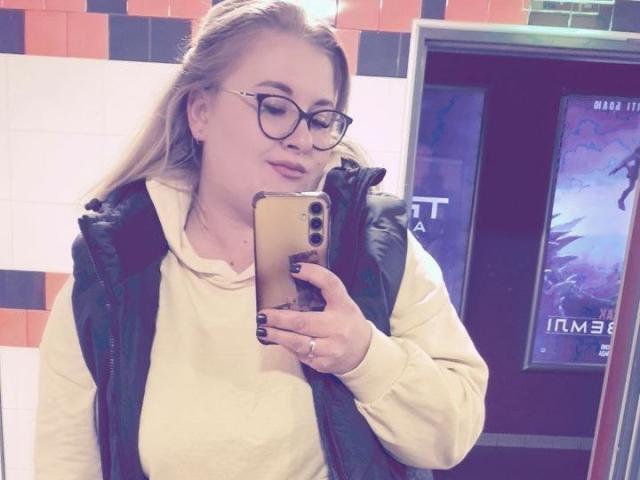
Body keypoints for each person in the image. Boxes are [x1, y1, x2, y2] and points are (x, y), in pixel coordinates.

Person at [35, 1, 488, 479]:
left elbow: (453, 433)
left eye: (320, 119)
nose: (301, 139)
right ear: (200, 112)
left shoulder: (377, 251)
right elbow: (66, 465)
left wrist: (363, 355)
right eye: (274, 106)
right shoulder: (111, 274)